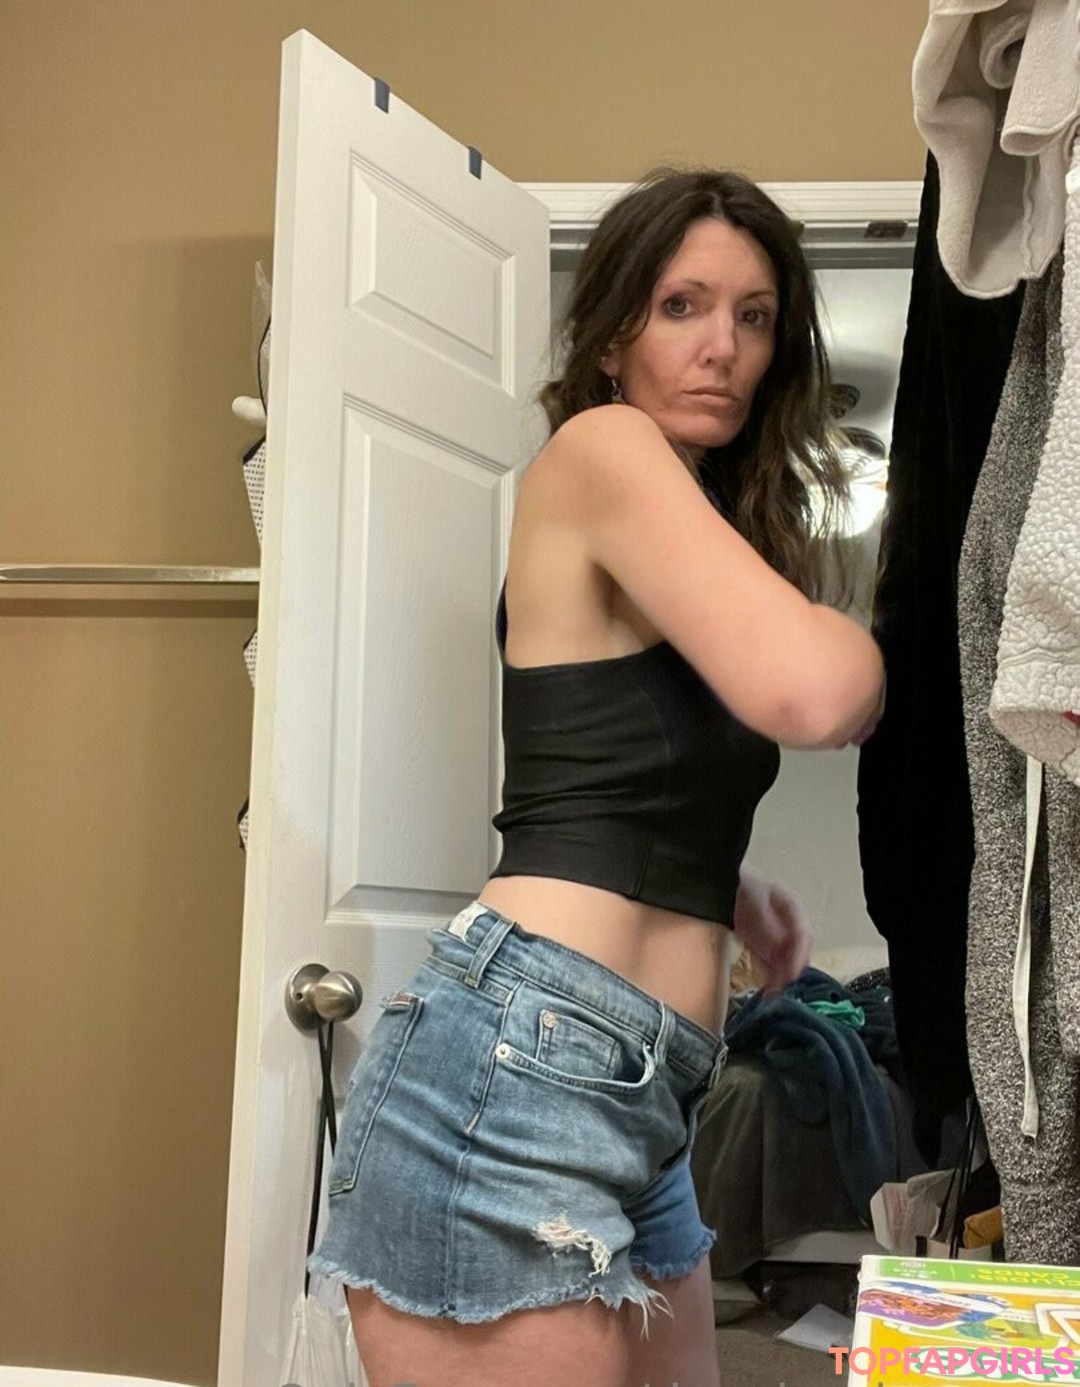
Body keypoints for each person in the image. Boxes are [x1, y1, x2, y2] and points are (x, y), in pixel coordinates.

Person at [309, 167, 886, 1387]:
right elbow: (816, 692)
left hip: (643, 1092)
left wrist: (726, 892)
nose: (722, 347)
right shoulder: (603, 446)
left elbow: (605, 757)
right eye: (682, 306)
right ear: (613, 334)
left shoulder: (685, 516)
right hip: (522, 1073)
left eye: (754, 316)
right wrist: (893, 647)